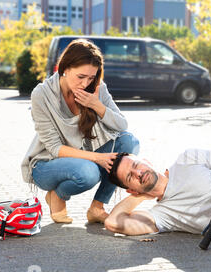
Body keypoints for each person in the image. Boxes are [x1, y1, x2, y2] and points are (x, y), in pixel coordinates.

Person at [21, 39, 139, 224]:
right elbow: (54, 147)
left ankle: (97, 207)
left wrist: (97, 105)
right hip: (47, 164)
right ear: (65, 68)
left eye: (91, 78)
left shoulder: (97, 89)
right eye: (81, 76)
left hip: (82, 157)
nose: (85, 83)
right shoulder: (41, 94)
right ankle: (57, 195)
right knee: (89, 172)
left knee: (129, 143)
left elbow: (121, 125)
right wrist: (97, 158)